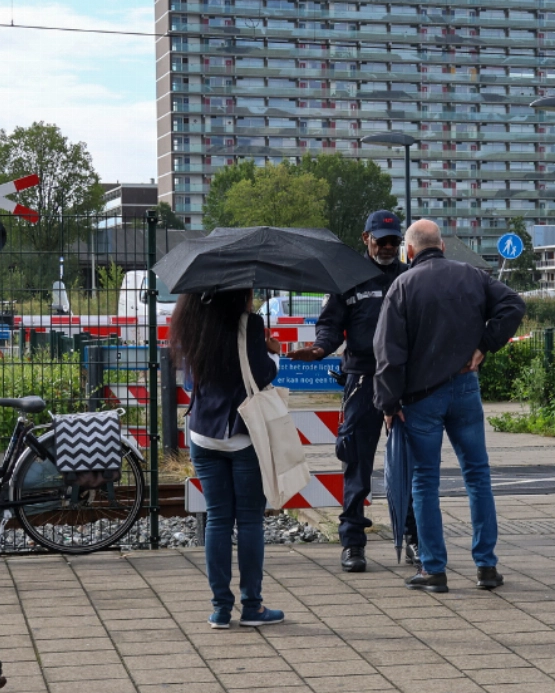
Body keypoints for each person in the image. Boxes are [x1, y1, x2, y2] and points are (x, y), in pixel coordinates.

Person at [373, 220, 526, 593]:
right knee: (477, 475)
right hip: (465, 387)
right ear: (441, 246)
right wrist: (485, 344)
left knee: (425, 481)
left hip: (421, 397)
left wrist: (388, 404)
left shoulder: (402, 286)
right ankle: (486, 566)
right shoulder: (471, 275)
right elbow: (513, 304)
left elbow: (388, 353)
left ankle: (434, 569)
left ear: (410, 251)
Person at [288, 209, 411, 573]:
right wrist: (319, 349)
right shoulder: (347, 280)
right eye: (381, 241)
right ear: (366, 239)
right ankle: (353, 542)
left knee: (412, 464)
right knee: (356, 462)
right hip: (363, 378)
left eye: (394, 241)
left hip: (405, 380)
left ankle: (415, 537)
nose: (387, 247)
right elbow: (330, 324)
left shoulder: (410, 277)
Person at [170, 289, 285, 629]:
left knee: (218, 519)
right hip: (242, 434)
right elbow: (263, 376)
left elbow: (189, 382)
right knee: (249, 521)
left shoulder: (191, 322)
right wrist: (273, 353)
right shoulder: (250, 325)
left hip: (203, 435)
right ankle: (252, 607)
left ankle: (220, 609)